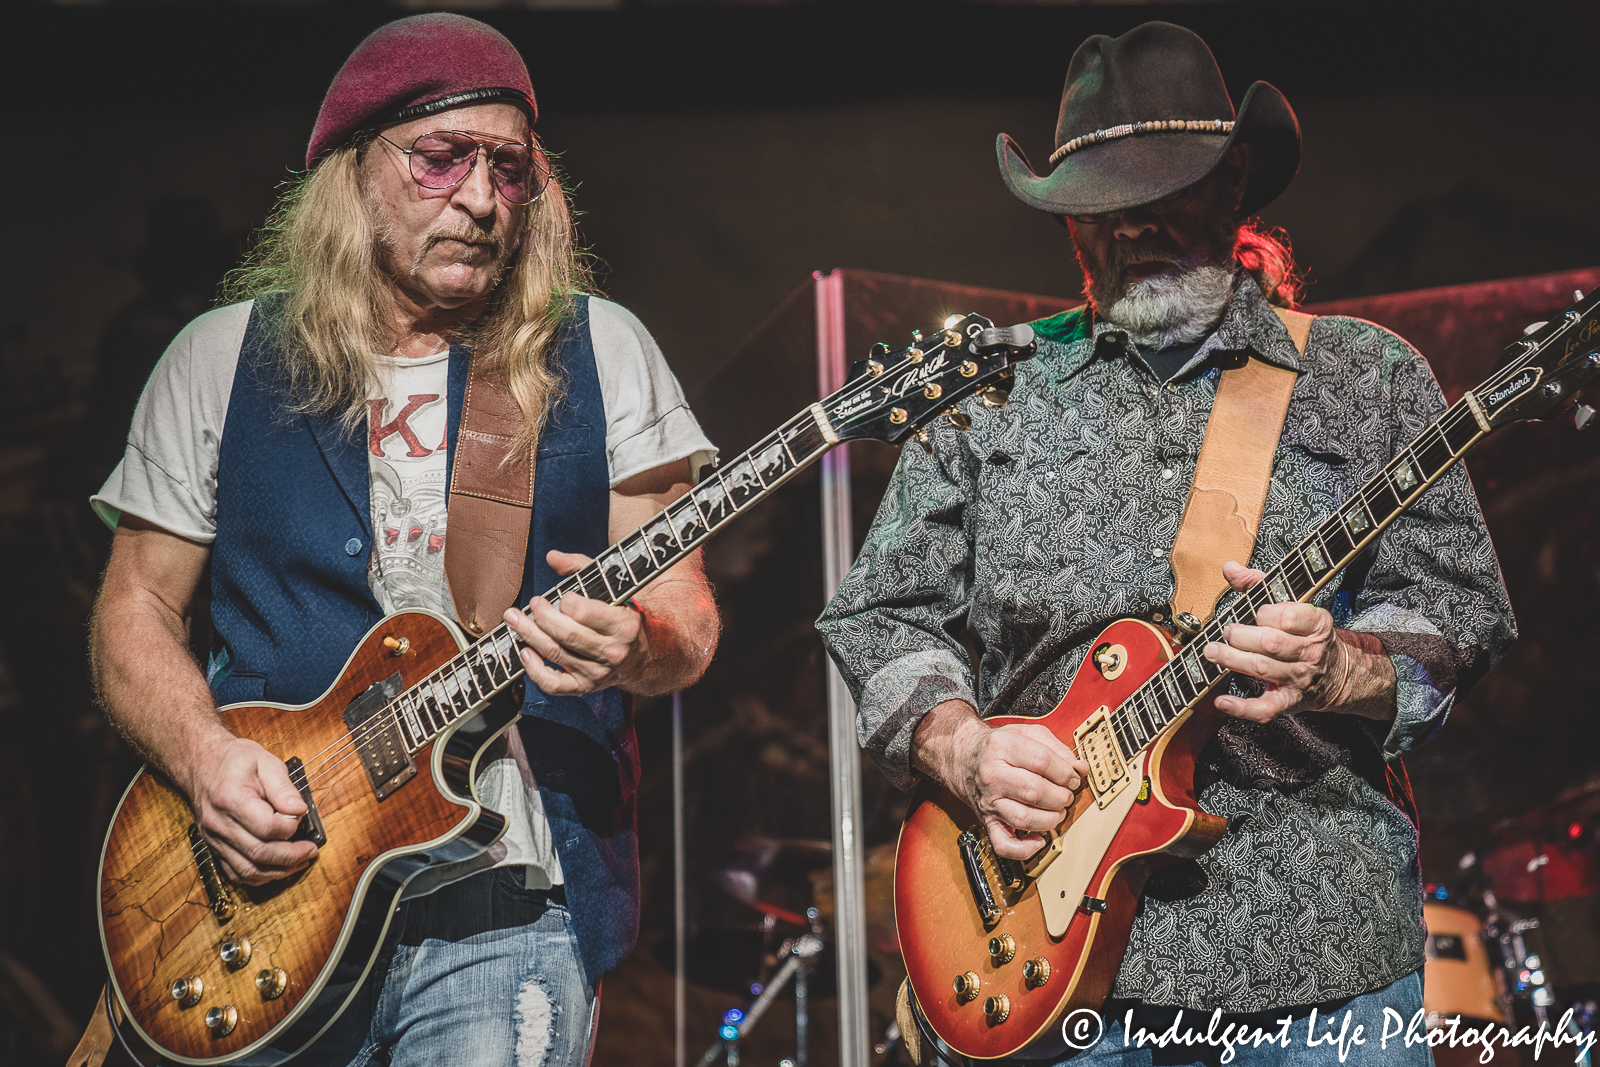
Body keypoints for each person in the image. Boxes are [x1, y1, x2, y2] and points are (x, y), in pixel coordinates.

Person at [817, 22, 1514, 1066]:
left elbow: (1457, 609)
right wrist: (961, 746)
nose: (1134, 223)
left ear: (1234, 183)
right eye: (1101, 202)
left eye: (1166, 188)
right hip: (1042, 961)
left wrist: (1341, 666)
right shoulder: (991, 397)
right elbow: (881, 610)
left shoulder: (1364, 379)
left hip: (1318, 950)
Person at [88, 14, 719, 1066]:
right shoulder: (216, 361)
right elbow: (134, 608)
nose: (480, 198)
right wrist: (204, 760)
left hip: (507, 902)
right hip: (269, 896)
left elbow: (688, 614)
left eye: (510, 170)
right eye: (441, 160)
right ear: (352, 173)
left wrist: (641, 642)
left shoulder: (599, 351)